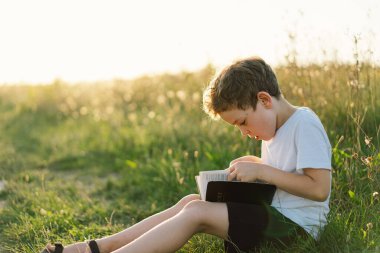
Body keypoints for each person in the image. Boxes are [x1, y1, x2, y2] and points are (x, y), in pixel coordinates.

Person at [42, 57, 331, 253]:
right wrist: (257, 165)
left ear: (264, 100)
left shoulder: (303, 124)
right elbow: (286, 175)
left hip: (297, 230)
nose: (243, 132)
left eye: (242, 122)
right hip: (274, 217)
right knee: (191, 201)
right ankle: (95, 247)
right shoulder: (273, 130)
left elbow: (318, 189)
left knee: (197, 213)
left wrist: (265, 173)